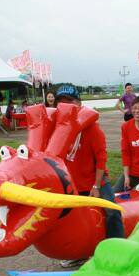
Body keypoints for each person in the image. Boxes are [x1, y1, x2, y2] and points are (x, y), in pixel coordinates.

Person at [55, 85, 124, 238]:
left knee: (112, 211)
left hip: (95, 180)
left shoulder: (92, 128)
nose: (65, 105)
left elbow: (101, 159)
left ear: (79, 103)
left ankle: (118, 245)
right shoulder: (58, 129)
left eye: (69, 101)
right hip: (72, 182)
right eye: (61, 102)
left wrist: (96, 185)